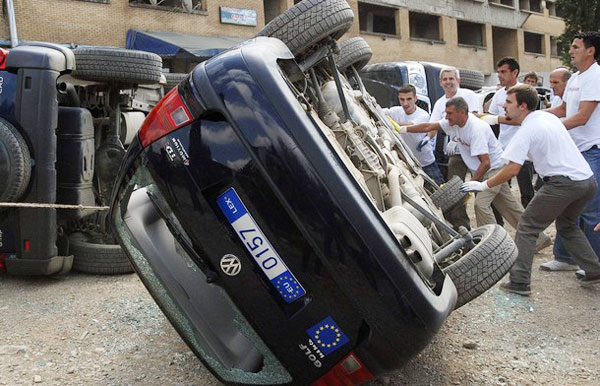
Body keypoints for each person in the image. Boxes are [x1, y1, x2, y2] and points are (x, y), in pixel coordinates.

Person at [461, 84, 600, 294]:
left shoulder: (528, 130)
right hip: (587, 181)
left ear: (523, 106)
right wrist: (491, 118)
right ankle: (594, 270)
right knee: (567, 225)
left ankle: (519, 282)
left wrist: (484, 184)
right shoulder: (547, 118)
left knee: (527, 226)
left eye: (508, 102)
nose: (503, 106)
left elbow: (512, 169)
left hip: (563, 183)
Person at [398, 96, 551, 253]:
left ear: (462, 112)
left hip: (494, 170)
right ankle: (539, 238)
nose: (446, 117)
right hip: (488, 169)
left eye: (450, 113)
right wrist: (401, 129)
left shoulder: (475, 128)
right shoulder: (454, 123)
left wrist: (473, 185)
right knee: (509, 207)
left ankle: (493, 246)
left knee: (481, 205)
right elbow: (429, 126)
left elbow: (486, 163)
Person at [541, 31, 600, 274]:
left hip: (593, 152)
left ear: (590, 50)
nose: (571, 50)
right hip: (574, 153)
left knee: (590, 211)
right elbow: (565, 109)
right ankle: (564, 257)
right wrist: (538, 117)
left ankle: (593, 264)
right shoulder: (576, 77)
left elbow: (583, 117)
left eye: (576, 46)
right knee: (565, 207)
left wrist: (550, 126)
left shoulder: (596, 76)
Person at [427, 67, 480, 230]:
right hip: (456, 153)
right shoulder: (439, 103)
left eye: (451, 78)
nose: (448, 82)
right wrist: (425, 141)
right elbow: (432, 126)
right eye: (445, 79)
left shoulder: (469, 96)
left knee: (482, 191)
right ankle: (463, 228)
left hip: (476, 150)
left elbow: (475, 119)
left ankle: (494, 224)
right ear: (440, 82)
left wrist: (456, 138)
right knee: (455, 191)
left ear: (458, 80)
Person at [481, 57, 535, 209]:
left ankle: (532, 227)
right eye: (498, 72)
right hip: (503, 150)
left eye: (503, 72)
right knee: (500, 191)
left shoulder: (524, 92)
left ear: (515, 72)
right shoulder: (498, 94)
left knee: (526, 192)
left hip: (523, 151)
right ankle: (501, 225)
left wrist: (493, 118)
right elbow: (490, 119)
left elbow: (522, 120)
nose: (499, 75)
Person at [382, 84, 444, 184]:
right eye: (402, 99)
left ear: (415, 99)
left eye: (409, 99)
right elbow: (377, 111)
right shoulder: (396, 111)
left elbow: (410, 126)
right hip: (407, 162)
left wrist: (389, 122)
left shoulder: (423, 115)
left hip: (425, 163)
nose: (405, 103)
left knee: (439, 189)